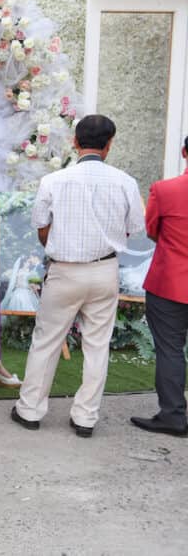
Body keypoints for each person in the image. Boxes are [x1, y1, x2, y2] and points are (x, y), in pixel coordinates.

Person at [12, 115, 145, 437]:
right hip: (105, 268)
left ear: (75, 141)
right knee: (98, 344)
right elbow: (136, 228)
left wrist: (59, 247)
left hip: (64, 269)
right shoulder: (125, 181)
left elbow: (41, 226)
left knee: (46, 340)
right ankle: (86, 417)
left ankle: (30, 410)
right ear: (109, 144)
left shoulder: (54, 181)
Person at [131, 136, 188, 437]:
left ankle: (173, 415)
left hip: (171, 282)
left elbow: (152, 230)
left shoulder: (164, 190)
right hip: (171, 282)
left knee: (170, 350)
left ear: (183, 152)